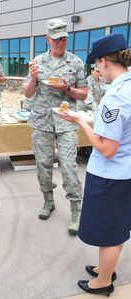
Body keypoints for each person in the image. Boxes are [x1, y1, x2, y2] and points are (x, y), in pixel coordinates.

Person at [59, 33, 131, 296]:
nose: (97, 72)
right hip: (126, 171)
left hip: (110, 175)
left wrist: (80, 122)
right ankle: (105, 269)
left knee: (108, 232)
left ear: (103, 62)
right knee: (118, 226)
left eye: (96, 66)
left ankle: (103, 282)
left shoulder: (116, 95)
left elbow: (106, 148)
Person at [23, 18, 87, 235]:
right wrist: (32, 77)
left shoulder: (76, 62)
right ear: (47, 40)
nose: (61, 43)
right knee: (43, 164)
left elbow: (84, 93)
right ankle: (48, 201)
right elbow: (27, 92)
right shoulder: (37, 61)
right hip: (41, 121)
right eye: (57, 39)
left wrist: (68, 88)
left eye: (64, 39)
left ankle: (76, 210)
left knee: (69, 165)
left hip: (66, 120)